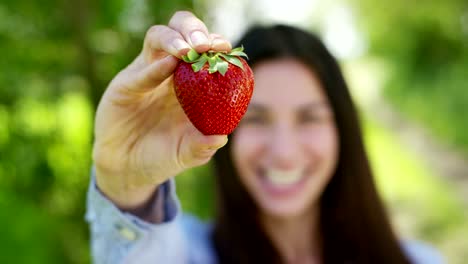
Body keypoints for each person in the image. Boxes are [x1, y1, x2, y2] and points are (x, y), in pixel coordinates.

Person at [86, 11, 443, 264]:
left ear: (343, 130)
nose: (284, 153)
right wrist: (124, 181)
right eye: (256, 118)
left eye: (309, 118)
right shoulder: (186, 255)